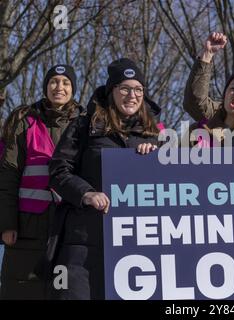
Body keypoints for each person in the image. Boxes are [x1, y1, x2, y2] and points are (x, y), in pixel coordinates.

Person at [48, 58, 159, 300]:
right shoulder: (83, 126)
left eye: (138, 89)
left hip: (134, 246)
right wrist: (85, 193)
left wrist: (154, 160)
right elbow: (58, 171)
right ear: (112, 92)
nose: (132, 95)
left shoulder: (154, 135)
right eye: (125, 88)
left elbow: (166, 190)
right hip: (83, 241)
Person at [0, 64, 83, 299]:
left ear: (73, 89)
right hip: (28, 229)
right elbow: (8, 175)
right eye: (54, 82)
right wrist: (7, 224)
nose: (59, 87)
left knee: (67, 292)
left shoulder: (85, 125)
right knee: (22, 290)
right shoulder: (25, 123)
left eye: (66, 82)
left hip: (70, 227)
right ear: (46, 87)